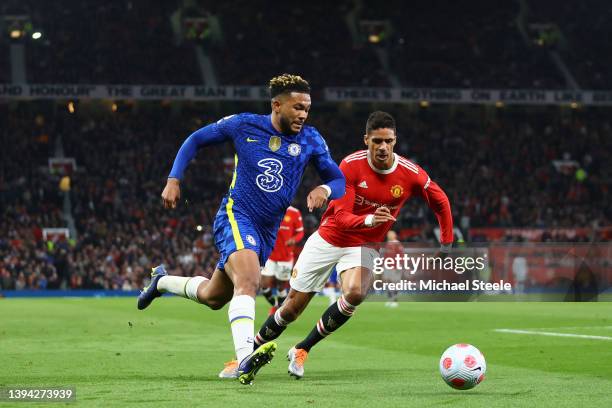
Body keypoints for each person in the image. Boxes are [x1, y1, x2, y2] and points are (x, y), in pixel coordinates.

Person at [136, 74, 345, 385]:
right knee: (249, 281)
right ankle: (245, 358)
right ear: (276, 105)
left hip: (266, 230)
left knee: (214, 296)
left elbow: (339, 180)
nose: (303, 114)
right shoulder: (244, 124)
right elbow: (195, 139)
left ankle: (162, 281)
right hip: (237, 214)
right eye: (297, 107)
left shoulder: (311, 140)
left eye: (307, 108)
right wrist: (173, 178)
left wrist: (325, 190)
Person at [250, 111, 453, 379]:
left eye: (388, 141)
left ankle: (302, 349)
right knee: (290, 309)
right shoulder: (350, 166)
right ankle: (246, 355)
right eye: (377, 141)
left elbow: (440, 201)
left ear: (395, 141)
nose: (383, 147)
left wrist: (447, 243)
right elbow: (342, 218)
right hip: (329, 237)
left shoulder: (410, 173)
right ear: (366, 139)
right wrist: (370, 218)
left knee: (356, 293)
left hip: (366, 244)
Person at [261, 206, 304, 315]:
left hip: (285, 257)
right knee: (264, 285)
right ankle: (275, 305)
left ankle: (278, 309)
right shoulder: (270, 208)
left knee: (281, 287)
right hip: (270, 255)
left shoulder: (294, 212)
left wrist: (294, 239)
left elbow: (300, 233)